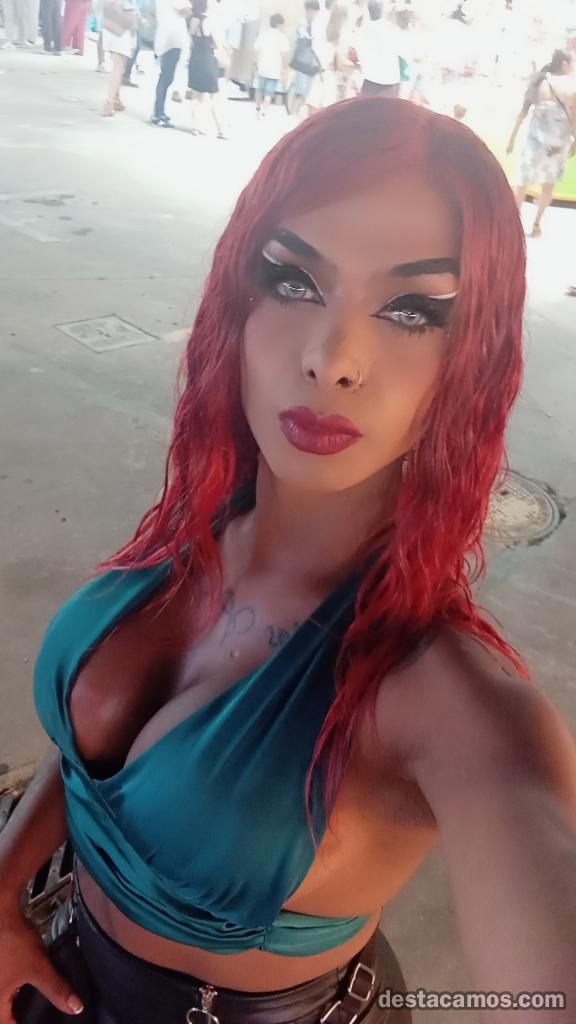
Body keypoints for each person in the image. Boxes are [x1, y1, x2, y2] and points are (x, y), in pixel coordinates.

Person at [3, 98, 576, 1024]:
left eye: (412, 309)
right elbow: (87, 760)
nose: (333, 358)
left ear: (472, 357)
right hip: (54, 961)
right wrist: (5, 887)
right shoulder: (200, 527)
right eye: (294, 280)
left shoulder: (448, 706)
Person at [507, 49, 576, 237]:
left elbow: (522, 112)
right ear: (565, 64)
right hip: (558, 143)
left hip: (534, 140)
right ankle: (536, 224)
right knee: (548, 184)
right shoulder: (571, 87)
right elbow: (574, 119)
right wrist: (575, 140)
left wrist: (512, 138)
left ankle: (515, 223)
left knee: (522, 181)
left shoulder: (539, 81)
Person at [187, 0, 226, 138]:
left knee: (196, 95)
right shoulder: (209, 21)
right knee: (214, 96)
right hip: (207, 59)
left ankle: (195, 127)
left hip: (195, 59)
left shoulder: (192, 20)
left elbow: (190, 40)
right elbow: (218, 43)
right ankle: (221, 130)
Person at [150, 0, 191, 126]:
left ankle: (159, 111)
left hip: (164, 37)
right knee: (166, 77)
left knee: (165, 76)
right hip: (173, 40)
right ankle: (158, 113)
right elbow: (187, 10)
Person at [356, 0, 403, 97]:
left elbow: (360, 56)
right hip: (390, 82)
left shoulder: (362, 30)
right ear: (383, 11)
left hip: (369, 80)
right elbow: (402, 51)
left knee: (368, 106)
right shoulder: (391, 29)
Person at [100, 0, 137, 116]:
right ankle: (109, 102)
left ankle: (116, 99)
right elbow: (128, 10)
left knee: (116, 66)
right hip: (122, 27)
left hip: (109, 23)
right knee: (118, 68)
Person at [254, 13, 289, 116]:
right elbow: (284, 54)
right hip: (275, 67)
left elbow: (257, 49)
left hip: (262, 65)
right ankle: (264, 111)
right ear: (279, 24)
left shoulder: (263, 34)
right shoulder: (282, 36)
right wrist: (285, 68)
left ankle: (257, 108)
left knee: (259, 89)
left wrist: (256, 62)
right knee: (269, 91)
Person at [291, 0, 322, 118]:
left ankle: (295, 115)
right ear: (309, 10)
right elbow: (304, 38)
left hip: (309, 63)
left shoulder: (312, 24)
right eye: (314, 11)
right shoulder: (303, 23)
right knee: (300, 92)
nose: (315, 14)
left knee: (305, 93)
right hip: (302, 62)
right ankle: (293, 115)